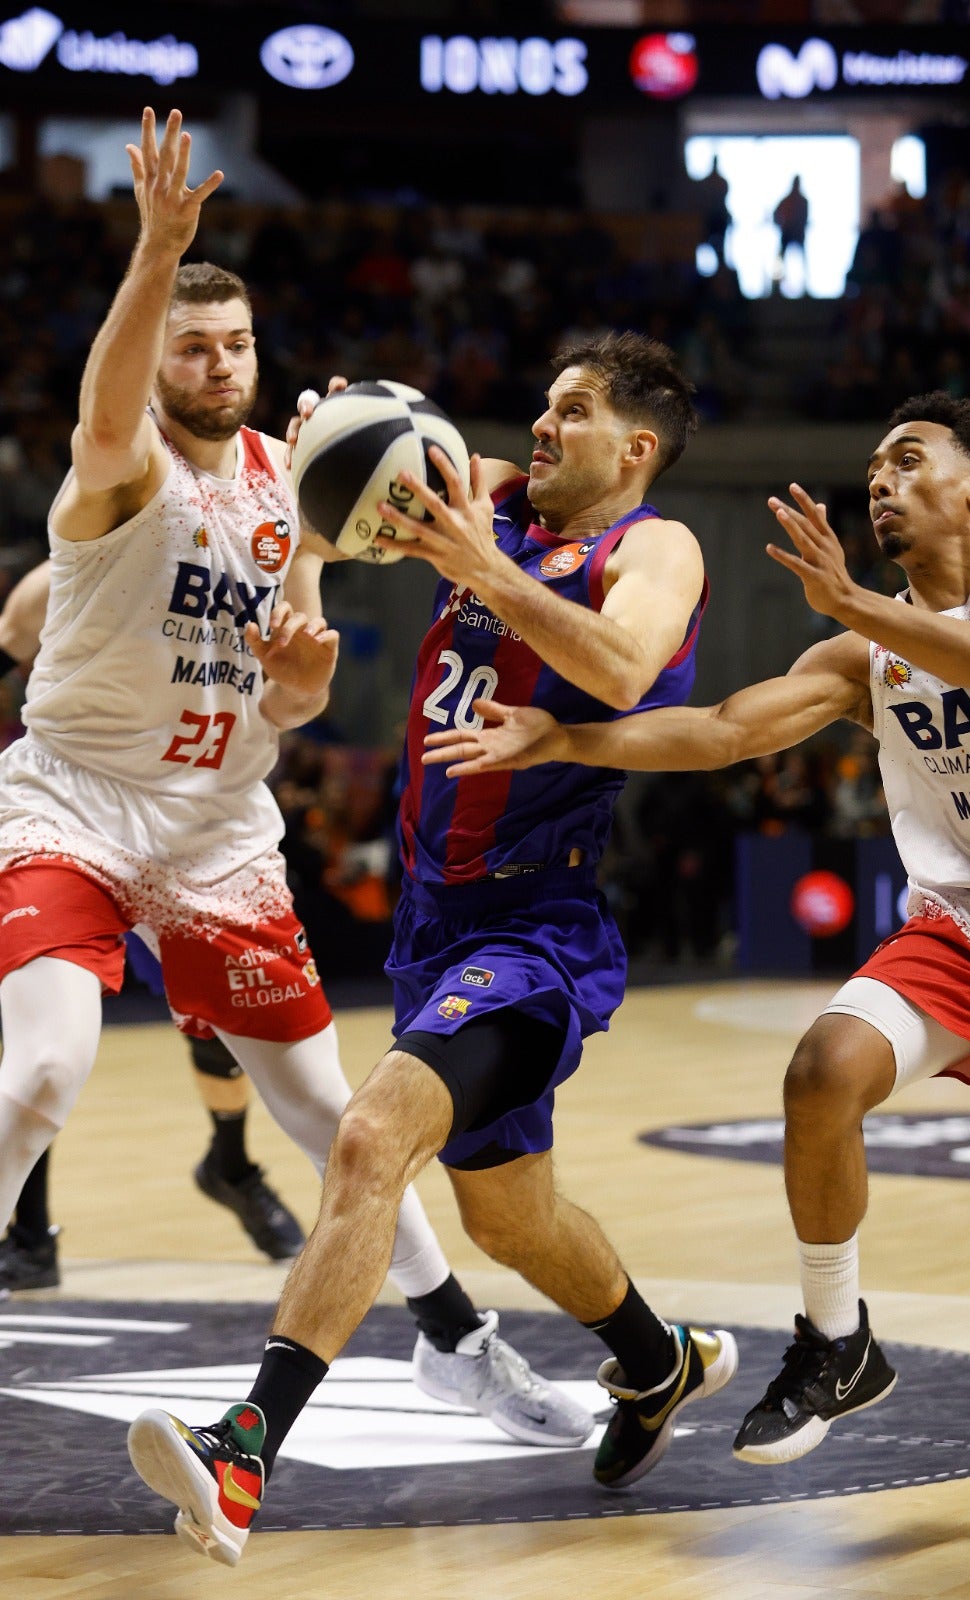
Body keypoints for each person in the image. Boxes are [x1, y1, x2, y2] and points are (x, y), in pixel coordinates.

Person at [422, 390, 970, 1535]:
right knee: (823, 1069)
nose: (879, 479)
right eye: (871, 467)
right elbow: (726, 727)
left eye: (906, 459)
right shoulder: (866, 651)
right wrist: (564, 736)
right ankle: (833, 1338)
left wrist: (853, 603)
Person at [0, 109, 591, 1445]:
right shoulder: (121, 463)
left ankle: (460, 1347)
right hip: (73, 805)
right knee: (42, 1071)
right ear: (157, 356)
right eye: (191, 345)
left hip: (217, 826)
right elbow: (106, 400)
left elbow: (293, 695)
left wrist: (303, 674)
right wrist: (158, 251)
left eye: (236, 343)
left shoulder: (299, 488)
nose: (217, 363)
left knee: (332, 1109)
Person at [127, 324, 738, 1565]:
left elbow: (625, 667)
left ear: (635, 446)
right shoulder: (489, 499)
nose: (542, 425)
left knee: (369, 1137)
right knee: (510, 1218)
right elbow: (367, 477)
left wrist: (480, 566)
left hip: (535, 928)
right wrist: (326, 439)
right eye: (544, 403)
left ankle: (243, 1452)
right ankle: (655, 1359)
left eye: (573, 409)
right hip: (431, 922)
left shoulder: (651, 545)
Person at [0, 563, 305, 1282]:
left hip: (180, 813)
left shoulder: (235, 546)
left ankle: (230, 1163)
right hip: (71, 810)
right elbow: (15, 630)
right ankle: (32, 1235)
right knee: (35, 1032)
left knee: (222, 1022)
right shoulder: (115, 536)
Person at [773, 175, 809, 293]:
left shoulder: (803, 201)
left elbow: (805, 218)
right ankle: (776, 286)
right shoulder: (787, 200)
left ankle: (805, 286)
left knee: (802, 260)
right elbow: (776, 214)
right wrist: (783, 224)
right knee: (781, 259)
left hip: (797, 233)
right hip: (788, 232)